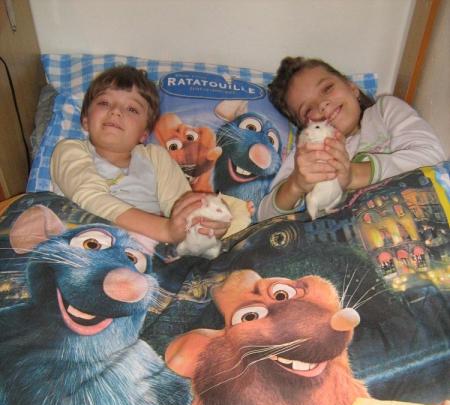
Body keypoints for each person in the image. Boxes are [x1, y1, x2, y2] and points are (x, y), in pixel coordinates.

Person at [51, 65, 248, 244]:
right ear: (85, 120)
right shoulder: (69, 150)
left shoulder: (156, 157)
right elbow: (89, 198)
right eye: (104, 103)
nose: (116, 111)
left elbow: (181, 208)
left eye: (131, 109)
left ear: (144, 134)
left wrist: (207, 222)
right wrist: (166, 231)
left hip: (150, 252)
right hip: (86, 245)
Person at [257, 57, 446, 221]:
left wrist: (353, 175)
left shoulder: (384, 111)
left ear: (352, 87)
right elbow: (263, 219)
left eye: (327, 88)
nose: (321, 104)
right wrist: (296, 185)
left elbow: (433, 160)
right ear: (305, 129)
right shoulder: (306, 155)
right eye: (307, 110)